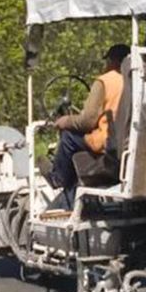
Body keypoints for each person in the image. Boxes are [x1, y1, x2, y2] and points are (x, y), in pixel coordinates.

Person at [46, 44, 130, 209]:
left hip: (109, 143)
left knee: (68, 137)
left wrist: (65, 121)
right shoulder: (137, 79)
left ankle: (58, 178)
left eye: (107, 61)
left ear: (112, 61)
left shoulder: (105, 81)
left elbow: (88, 121)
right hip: (130, 143)